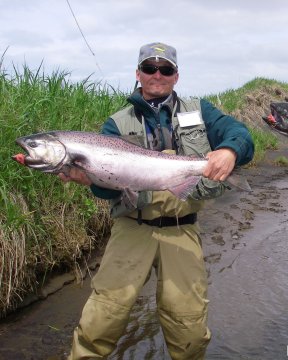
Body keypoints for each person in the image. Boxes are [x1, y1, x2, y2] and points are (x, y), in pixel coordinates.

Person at [60, 42, 254, 360]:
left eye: (165, 69)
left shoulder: (200, 110)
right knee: (102, 319)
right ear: (138, 73)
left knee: (188, 329)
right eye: (149, 68)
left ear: (176, 76)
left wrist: (230, 151)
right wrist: (92, 180)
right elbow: (108, 189)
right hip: (131, 227)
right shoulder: (116, 124)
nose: (157, 75)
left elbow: (240, 133)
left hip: (182, 229)